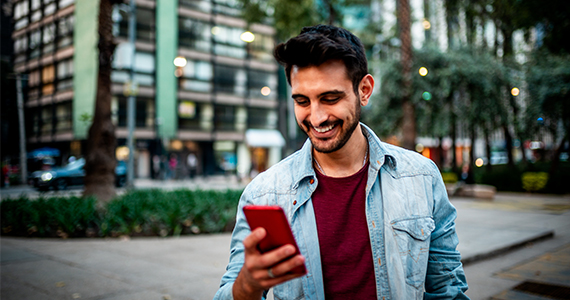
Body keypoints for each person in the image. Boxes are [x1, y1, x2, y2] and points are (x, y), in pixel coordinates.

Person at [214, 25, 469, 300]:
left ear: (364, 90)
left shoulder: (420, 177)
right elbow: (227, 293)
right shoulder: (264, 193)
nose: (316, 117)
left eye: (330, 98)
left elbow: (448, 290)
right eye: (302, 101)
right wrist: (248, 286)